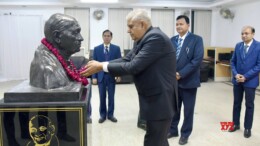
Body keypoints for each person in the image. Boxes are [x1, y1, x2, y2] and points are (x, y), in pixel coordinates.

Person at [81, 9, 178, 146]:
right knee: (157, 139)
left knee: (154, 141)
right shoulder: (142, 39)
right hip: (153, 99)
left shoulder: (155, 38)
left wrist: (101, 67)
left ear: (143, 24)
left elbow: (133, 66)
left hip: (161, 101)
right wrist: (102, 64)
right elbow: (127, 59)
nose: (128, 30)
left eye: (131, 26)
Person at [30, 13, 89, 141]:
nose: (81, 38)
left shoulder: (61, 58)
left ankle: (62, 133)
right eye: (75, 33)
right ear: (57, 37)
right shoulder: (47, 69)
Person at [167, 15, 204, 145]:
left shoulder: (196, 40)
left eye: (181, 24)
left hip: (189, 81)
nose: (178, 26)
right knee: (174, 108)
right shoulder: (172, 40)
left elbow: (196, 61)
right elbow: (168, 59)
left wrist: (180, 74)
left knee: (188, 110)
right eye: (176, 24)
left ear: (188, 25)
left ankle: (185, 134)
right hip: (174, 82)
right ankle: (173, 130)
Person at [229, 26, 260, 138]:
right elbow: (233, 62)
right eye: (242, 33)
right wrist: (236, 74)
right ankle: (235, 124)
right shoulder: (238, 46)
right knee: (236, 103)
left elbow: (258, 65)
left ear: (253, 34)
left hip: (250, 81)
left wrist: (245, 76)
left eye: (246, 33)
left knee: (249, 105)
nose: (244, 35)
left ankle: (247, 128)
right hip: (237, 80)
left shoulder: (258, 46)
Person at [92, 29, 121, 123]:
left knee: (111, 97)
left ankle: (111, 115)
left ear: (111, 37)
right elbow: (94, 64)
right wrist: (94, 77)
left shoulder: (116, 49)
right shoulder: (97, 49)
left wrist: (119, 75)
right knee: (102, 96)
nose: (106, 37)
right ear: (102, 37)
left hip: (111, 76)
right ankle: (102, 115)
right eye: (105, 35)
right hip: (101, 76)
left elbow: (119, 63)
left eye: (108, 36)